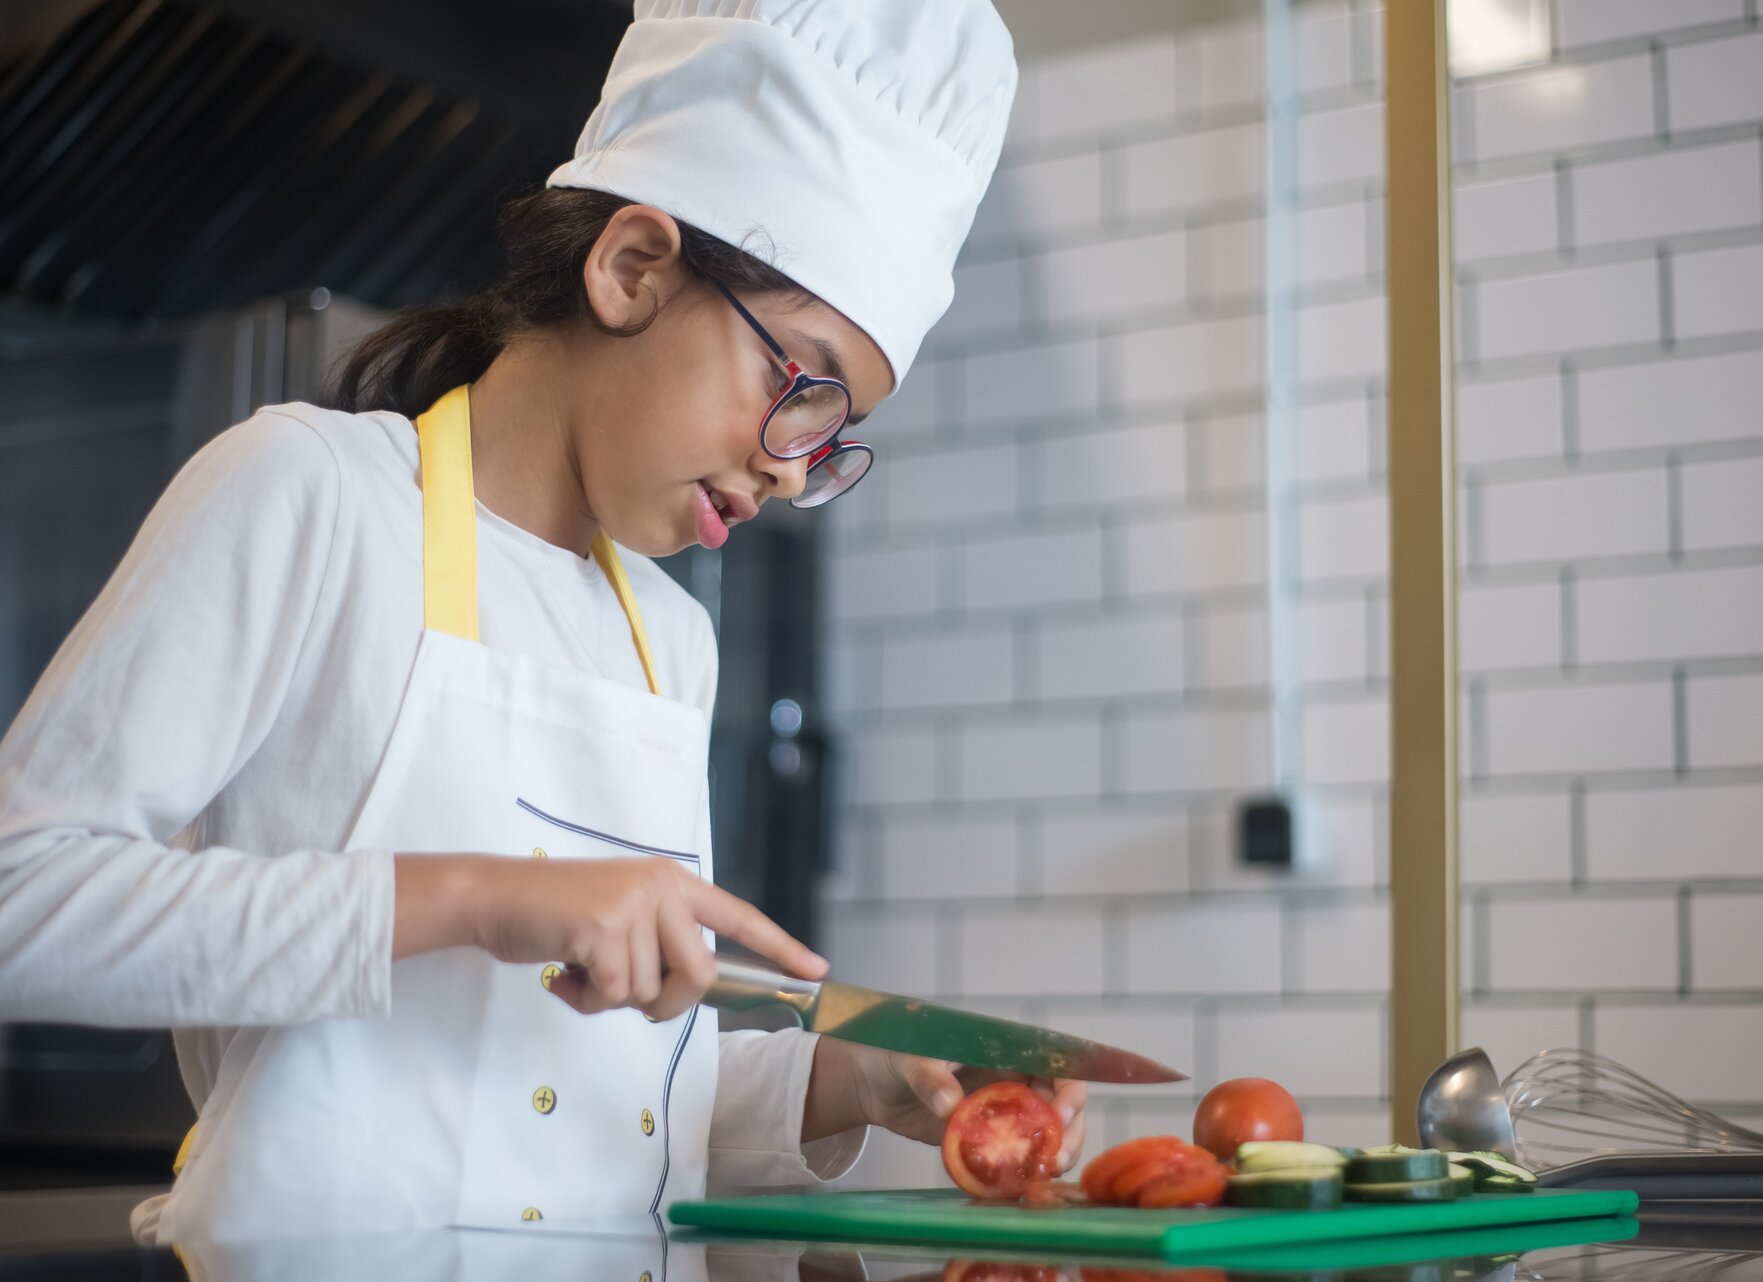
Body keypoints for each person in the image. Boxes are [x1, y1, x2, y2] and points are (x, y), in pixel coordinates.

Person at [0, 0, 1084, 1243]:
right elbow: (20, 902)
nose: (794, 469)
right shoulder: (313, 497)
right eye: (802, 386)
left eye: (834, 436)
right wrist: (478, 897)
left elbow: (595, 1093)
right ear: (631, 268)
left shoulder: (670, 640)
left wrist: (862, 1075)